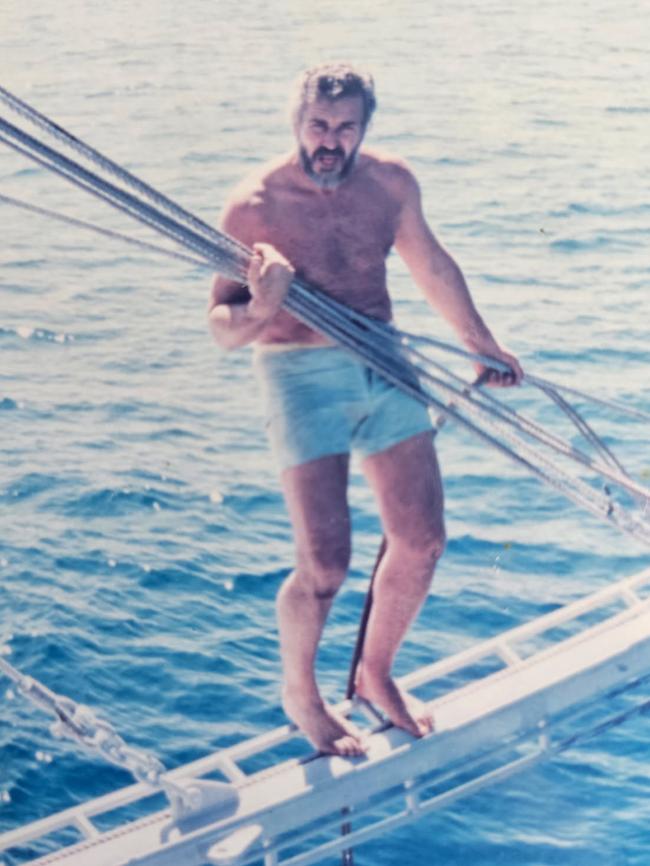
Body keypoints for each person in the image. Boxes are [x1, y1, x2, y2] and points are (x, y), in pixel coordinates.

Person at [208, 63, 523, 757]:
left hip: (383, 359)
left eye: (345, 128)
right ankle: (302, 696)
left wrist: (481, 344)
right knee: (325, 564)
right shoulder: (253, 206)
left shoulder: (390, 184)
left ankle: (375, 674)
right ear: (296, 122)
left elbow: (431, 265)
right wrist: (263, 304)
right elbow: (223, 329)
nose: (330, 141)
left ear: (364, 128)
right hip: (298, 373)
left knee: (422, 540)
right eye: (318, 126)